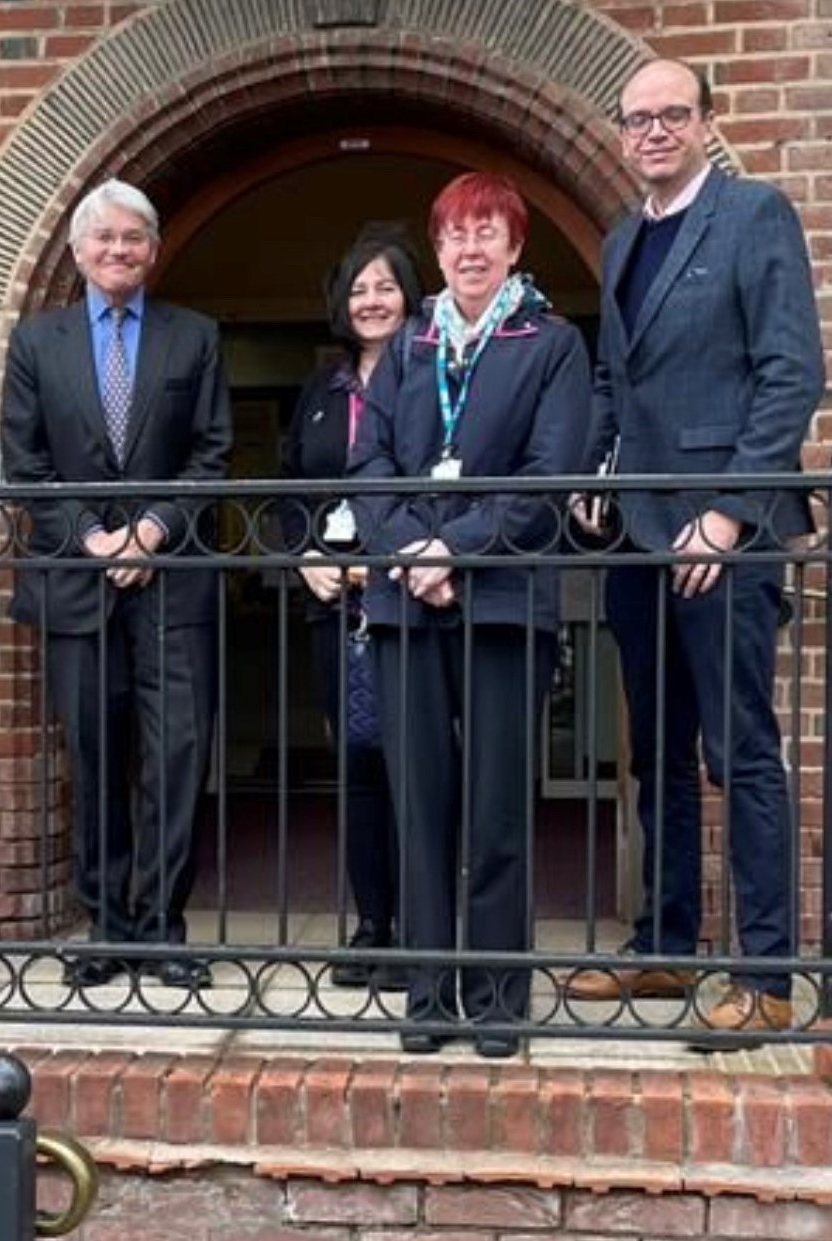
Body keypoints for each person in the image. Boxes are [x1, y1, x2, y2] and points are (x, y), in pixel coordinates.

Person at [566, 59, 824, 1038]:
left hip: (724, 533)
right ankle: (664, 947)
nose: (654, 132)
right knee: (659, 752)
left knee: (740, 749)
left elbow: (789, 372)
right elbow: (612, 377)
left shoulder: (754, 216)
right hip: (636, 532)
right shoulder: (624, 233)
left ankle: (765, 976)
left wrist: (727, 510)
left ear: (706, 123)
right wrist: (595, 464)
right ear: (621, 133)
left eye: (673, 115)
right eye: (637, 119)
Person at [352, 172, 591, 1057]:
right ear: (439, 247)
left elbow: (551, 473)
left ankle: (495, 995)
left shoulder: (550, 343)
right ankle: (428, 992)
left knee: (495, 806)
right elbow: (369, 463)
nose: (471, 248)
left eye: (489, 231)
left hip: (503, 602)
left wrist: (455, 548)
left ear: (515, 246)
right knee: (419, 804)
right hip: (405, 605)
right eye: (456, 233)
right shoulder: (411, 343)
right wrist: (414, 551)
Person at [0, 179, 232, 990]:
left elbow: (212, 453)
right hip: (77, 582)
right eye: (103, 239)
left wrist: (154, 531)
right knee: (96, 757)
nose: (118, 251)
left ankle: (163, 923)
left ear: (154, 250)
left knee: (176, 754)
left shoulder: (195, 336)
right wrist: (93, 538)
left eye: (133, 239)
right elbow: (24, 466)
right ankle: (108, 922)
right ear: (78, 251)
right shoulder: (37, 344)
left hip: (174, 585)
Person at [280, 230, 421, 987]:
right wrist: (305, 557)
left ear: (410, 296)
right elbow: (288, 486)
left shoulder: (432, 372)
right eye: (360, 289)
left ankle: (422, 927)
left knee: (414, 762)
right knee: (358, 764)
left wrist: (386, 557)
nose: (372, 300)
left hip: (411, 599)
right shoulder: (324, 389)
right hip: (332, 608)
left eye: (386, 287)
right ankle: (373, 923)